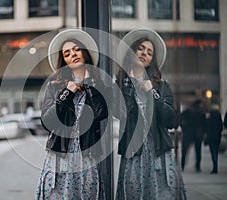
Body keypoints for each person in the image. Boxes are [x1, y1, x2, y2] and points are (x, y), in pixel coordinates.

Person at [35, 29, 108, 199]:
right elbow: (47, 121)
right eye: (67, 53)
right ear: (64, 61)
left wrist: (89, 85)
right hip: (60, 155)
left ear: (84, 53)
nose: (73, 54)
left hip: (87, 155)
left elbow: (101, 113)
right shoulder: (54, 86)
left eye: (76, 49)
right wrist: (67, 92)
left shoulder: (98, 85)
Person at [115, 28, 186, 199]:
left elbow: (172, 120)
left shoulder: (162, 85)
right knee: (133, 193)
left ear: (152, 59)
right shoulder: (119, 84)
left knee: (162, 194)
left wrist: (152, 92)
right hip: (134, 153)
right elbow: (120, 113)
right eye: (140, 49)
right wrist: (130, 86)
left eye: (149, 52)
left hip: (159, 150)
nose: (144, 53)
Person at [180, 99, 206, 172]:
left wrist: (184, 128)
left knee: (185, 151)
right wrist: (203, 132)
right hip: (197, 133)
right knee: (198, 151)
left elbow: (181, 120)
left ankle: (182, 165)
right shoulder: (201, 113)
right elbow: (204, 124)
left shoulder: (186, 112)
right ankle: (197, 166)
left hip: (187, 133)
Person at [205, 104, 223, 174]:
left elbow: (207, 127)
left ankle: (215, 166)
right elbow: (221, 127)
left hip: (211, 137)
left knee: (213, 152)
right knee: (216, 151)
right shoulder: (218, 119)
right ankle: (215, 166)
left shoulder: (209, 118)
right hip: (217, 137)